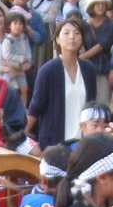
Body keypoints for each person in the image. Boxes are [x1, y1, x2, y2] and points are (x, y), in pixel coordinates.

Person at [27, 18, 96, 148]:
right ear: (57, 39)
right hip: (55, 145)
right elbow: (35, 107)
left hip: (83, 144)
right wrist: (22, 137)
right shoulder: (48, 70)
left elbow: (92, 105)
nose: (72, 37)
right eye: (66, 33)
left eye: (76, 33)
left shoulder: (88, 69)